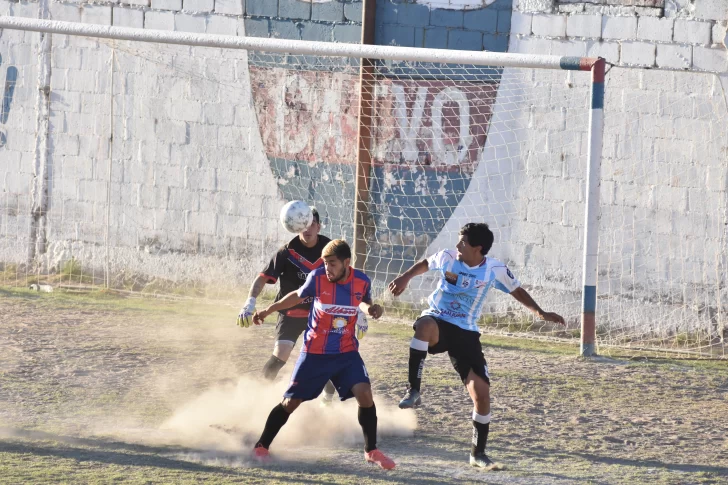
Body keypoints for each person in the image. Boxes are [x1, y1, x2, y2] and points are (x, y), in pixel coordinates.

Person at [387, 223, 565, 468]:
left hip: (466, 333)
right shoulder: (449, 257)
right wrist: (405, 277)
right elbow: (426, 264)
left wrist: (539, 312)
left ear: (477, 248)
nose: (457, 245)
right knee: (424, 325)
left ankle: (477, 454)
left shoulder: (494, 269)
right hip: (439, 319)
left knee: (481, 395)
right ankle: (413, 390)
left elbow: (517, 290)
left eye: (463, 242)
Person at [251, 239, 395, 470]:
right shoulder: (317, 278)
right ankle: (261, 445)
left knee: (365, 394)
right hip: (315, 352)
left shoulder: (361, 281)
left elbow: (363, 303)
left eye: (332, 263)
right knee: (290, 403)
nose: (327, 268)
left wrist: (373, 309)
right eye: (326, 263)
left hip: (346, 352)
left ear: (347, 262)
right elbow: (296, 295)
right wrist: (268, 310)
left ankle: (371, 450)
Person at [237, 208, 337, 404]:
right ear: (294, 226)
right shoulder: (287, 251)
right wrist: (250, 302)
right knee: (280, 354)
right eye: (302, 225)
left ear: (318, 226)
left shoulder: (330, 250)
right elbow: (262, 278)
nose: (307, 229)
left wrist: (358, 311)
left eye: (311, 224)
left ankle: (327, 401)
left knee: (328, 358)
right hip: (290, 313)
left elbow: (347, 281)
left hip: (319, 314)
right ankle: (257, 399)